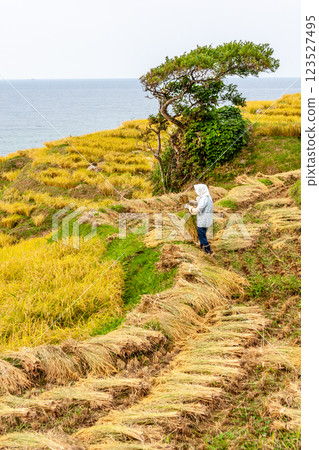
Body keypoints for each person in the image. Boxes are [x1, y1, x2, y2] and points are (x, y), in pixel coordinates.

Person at [184, 184, 213, 254]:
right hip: (207, 220)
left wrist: (189, 207)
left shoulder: (204, 199)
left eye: (198, 190)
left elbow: (196, 210)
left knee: (201, 235)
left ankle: (207, 251)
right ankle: (202, 247)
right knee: (202, 234)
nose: (197, 192)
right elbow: (199, 203)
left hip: (203, 220)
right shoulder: (206, 197)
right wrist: (191, 202)